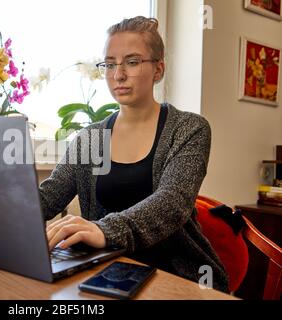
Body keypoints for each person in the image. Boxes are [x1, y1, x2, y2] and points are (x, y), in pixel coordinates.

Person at [39, 16, 229, 293]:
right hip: (107, 274)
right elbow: (49, 196)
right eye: (110, 64)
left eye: (132, 61)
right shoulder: (90, 138)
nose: (118, 75)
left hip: (179, 276)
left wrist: (104, 230)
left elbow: (172, 203)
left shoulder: (189, 128)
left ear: (158, 69)